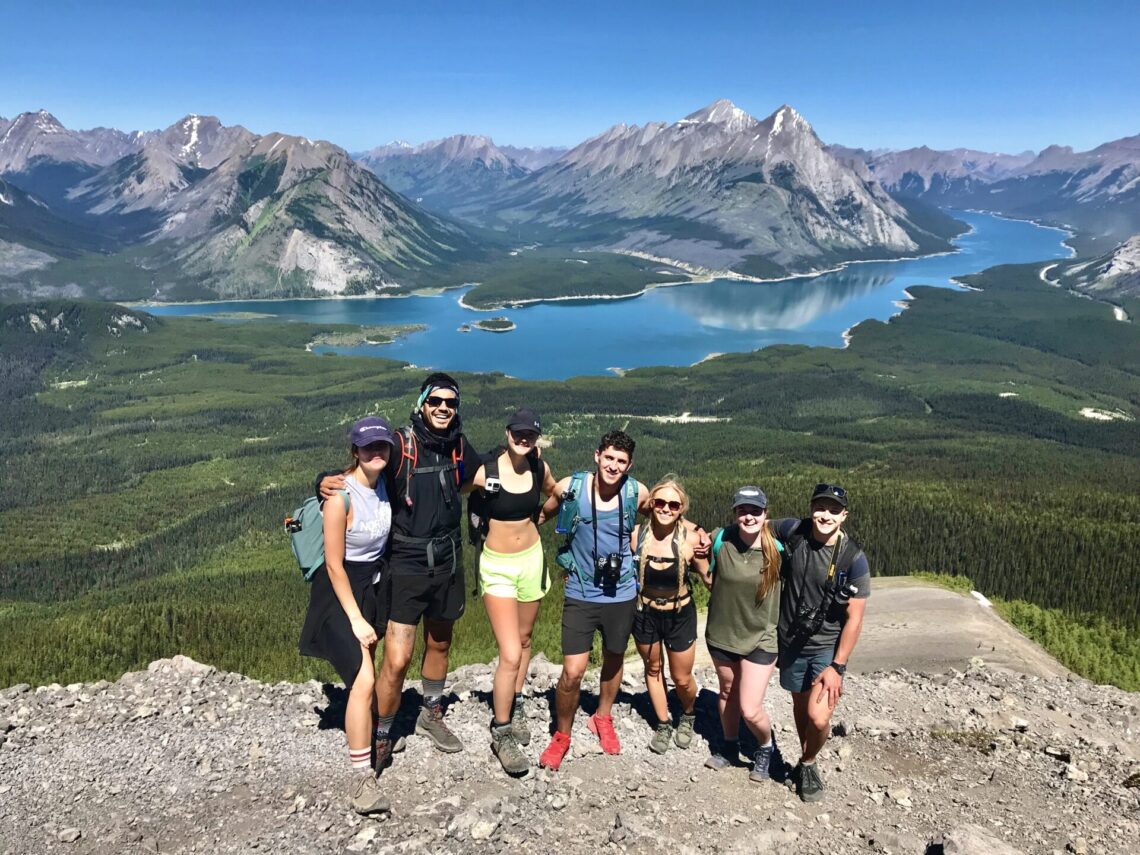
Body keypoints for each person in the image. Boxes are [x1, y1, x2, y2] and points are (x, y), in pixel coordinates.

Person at [318, 373, 479, 770]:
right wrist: (320, 481)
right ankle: (383, 732)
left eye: (451, 403)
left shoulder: (457, 445)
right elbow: (362, 469)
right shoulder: (399, 444)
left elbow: (485, 476)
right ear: (422, 403)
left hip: (448, 561)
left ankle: (430, 713)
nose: (443, 408)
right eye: (436, 401)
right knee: (397, 657)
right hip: (406, 565)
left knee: (440, 644)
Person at [535, 430, 708, 771]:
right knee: (572, 671)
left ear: (630, 465)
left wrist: (698, 530)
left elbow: (664, 511)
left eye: (621, 461)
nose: (614, 466)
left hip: (622, 593)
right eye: (609, 457)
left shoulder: (635, 492)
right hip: (581, 592)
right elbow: (544, 513)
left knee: (614, 658)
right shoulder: (573, 486)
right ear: (597, 455)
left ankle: (603, 717)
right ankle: (562, 735)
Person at [299, 416, 396, 815]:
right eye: (368, 447)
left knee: (365, 672)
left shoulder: (387, 483)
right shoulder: (340, 497)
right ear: (354, 451)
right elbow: (335, 565)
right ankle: (361, 779)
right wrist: (356, 618)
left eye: (382, 446)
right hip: (340, 592)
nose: (377, 453)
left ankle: (366, 733)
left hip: (372, 586)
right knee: (363, 679)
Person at [467, 408, 558, 776]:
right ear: (507, 433)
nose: (524, 439)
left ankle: (517, 700)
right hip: (498, 566)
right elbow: (452, 489)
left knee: (523, 639)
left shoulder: (539, 467)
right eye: (518, 433)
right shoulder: (486, 470)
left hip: (531, 560)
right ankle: (501, 730)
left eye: (530, 435)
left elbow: (554, 495)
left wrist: (540, 518)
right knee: (508, 652)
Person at [773, 483, 870, 803]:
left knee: (819, 716)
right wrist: (712, 538)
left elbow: (855, 618)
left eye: (833, 510)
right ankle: (805, 760)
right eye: (820, 507)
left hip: (827, 648)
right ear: (811, 507)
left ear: (844, 515)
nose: (825, 515)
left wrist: (838, 666)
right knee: (800, 705)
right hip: (790, 642)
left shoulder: (853, 558)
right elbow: (758, 523)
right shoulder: (796, 531)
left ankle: (809, 762)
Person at [699, 486, 782, 782]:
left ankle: (764, 746)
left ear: (765, 514)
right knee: (726, 691)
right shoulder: (722, 538)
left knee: (750, 707)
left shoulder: (779, 547)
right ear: (735, 513)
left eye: (755, 511)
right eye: (742, 510)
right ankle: (729, 746)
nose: (748, 516)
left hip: (761, 637)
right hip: (721, 635)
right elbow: (699, 556)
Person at [630, 476, 707, 754]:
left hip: (679, 613)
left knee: (682, 678)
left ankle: (687, 714)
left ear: (681, 508)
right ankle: (663, 723)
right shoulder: (636, 536)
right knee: (652, 669)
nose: (665, 508)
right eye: (659, 502)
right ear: (651, 504)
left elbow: (709, 577)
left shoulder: (692, 540)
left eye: (673, 504)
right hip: (645, 612)